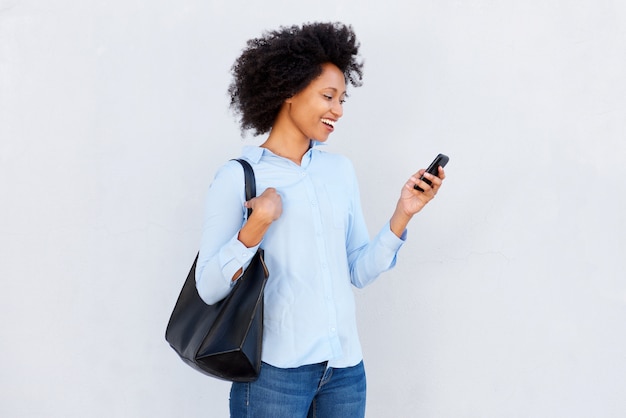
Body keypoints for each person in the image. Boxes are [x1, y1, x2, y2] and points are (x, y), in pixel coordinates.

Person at [195, 22, 446, 418]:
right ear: (288, 92)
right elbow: (208, 288)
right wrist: (255, 227)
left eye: (342, 99)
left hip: (345, 371)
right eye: (328, 96)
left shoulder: (339, 171)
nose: (338, 111)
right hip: (273, 376)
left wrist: (402, 214)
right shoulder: (239, 176)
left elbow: (359, 271)